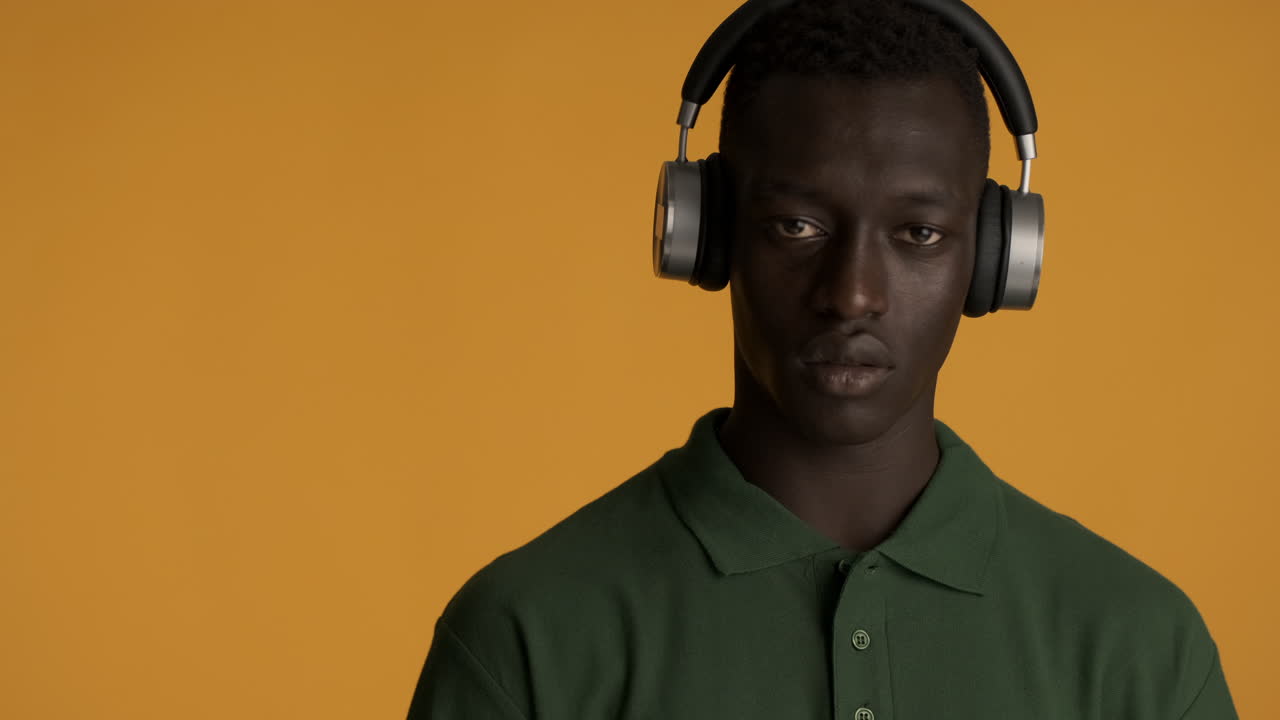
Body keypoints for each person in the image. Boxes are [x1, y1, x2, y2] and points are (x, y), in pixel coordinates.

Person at [407, 0, 1237, 717]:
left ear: (993, 261)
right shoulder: (526, 635)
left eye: (918, 234)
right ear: (708, 233)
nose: (853, 294)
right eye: (797, 227)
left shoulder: (1144, 647)